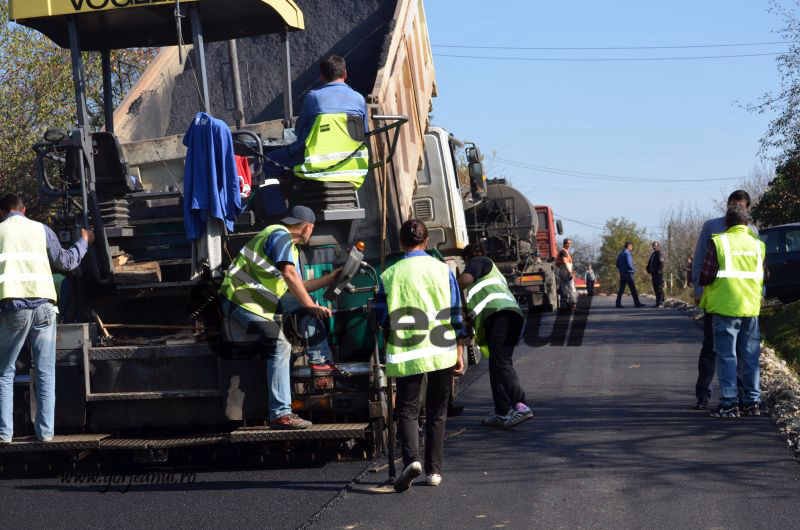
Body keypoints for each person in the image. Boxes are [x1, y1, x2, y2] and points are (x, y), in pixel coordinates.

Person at [218, 205, 343, 430]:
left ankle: (321, 362)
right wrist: (309, 305)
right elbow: (289, 274)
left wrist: (330, 279)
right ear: (308, 227)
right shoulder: (279, 234)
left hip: (259, 298)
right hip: (240, 297)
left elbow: (297, 285)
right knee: (279, 344)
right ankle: (281, 413)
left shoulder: (289, 247)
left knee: (308, 305)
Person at [377, 219, 465, 492]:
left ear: (401, 244)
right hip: (441, 350)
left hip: (407, 352)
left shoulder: (390, 274)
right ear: (426, 242)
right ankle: (434, 472)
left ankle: (412, 462)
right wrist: (459, 350)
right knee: (438, 411)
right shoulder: (443, 270)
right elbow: (456, 313)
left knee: (408, 410)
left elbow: (381, 316)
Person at [0, 193, 94, 443]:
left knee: (4, 372)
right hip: (44, 308)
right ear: (24, 209)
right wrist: (83, 242)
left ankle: (4, 435)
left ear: (2, 213)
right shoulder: (41, 230)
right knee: (45, 371)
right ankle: (45, 433)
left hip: (13, 308)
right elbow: (66, 261)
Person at [691, 190, 758, 410]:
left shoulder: (753, 234)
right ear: (727, 205)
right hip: (718, 300)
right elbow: (700, 260)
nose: (736, 208)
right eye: (733, 204)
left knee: (739, 352)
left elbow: (759, 267)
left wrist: (762, 291)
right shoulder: (712, 228)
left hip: (744, 301)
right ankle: (704, 394)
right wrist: (698, 289)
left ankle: (735, 397)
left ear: (747, 208)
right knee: (712, 348)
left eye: (740, 205)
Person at [264, 55, 369, 189]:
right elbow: (363, 133)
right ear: (345, 73)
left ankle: (276, 209)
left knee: (267, 162)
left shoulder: (313, 97)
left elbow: (299, 131)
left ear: (322, 76)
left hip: (316, 165)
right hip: (353, 166)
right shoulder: (359, 98)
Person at [458, 244, 532, 429]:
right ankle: (502, 411)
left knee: (502, 362)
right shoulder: (490, 273)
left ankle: (520, 406)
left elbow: (465, 279)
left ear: (466, 259)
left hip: (502, 316)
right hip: (506, 316)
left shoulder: (479, 261)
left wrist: (449, 284)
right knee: (496, 364)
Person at [615, 242, 644, 308]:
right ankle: (637, 303)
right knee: (633, 289)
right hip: (628, 274)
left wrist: (621, 270)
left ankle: (618, 303)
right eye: (631, 247)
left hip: (622, 274)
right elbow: (629, 263)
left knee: (621, 289)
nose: (631, 248)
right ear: (628, 246)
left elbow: (617, 264)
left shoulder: (621, 253)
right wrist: (633, 270)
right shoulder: (627, 253)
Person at [555, 238, 577, 310]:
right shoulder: (564, 252)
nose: (569, 245)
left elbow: (559, 263)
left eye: (570, 243)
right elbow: (565, 262)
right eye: (568, 243)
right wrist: (570, 272)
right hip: (566, 272)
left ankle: (565, 305)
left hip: (563, 271)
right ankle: (572, 305)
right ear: (564, 243)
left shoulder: (564, 251)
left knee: (564, 289)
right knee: (571, 288)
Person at [646, 241, 665, 307]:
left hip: (658, 274)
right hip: (653, 274)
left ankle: (661, 303)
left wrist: (658, 271)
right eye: (653, 245)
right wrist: (648, 268)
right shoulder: (653, 253)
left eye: (655, 245)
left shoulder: (659, 253)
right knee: (656, 288)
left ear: (658, 246)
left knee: (659, 288)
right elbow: (650, 263)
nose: (654, 246)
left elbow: (661, 263)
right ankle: (657, 303)